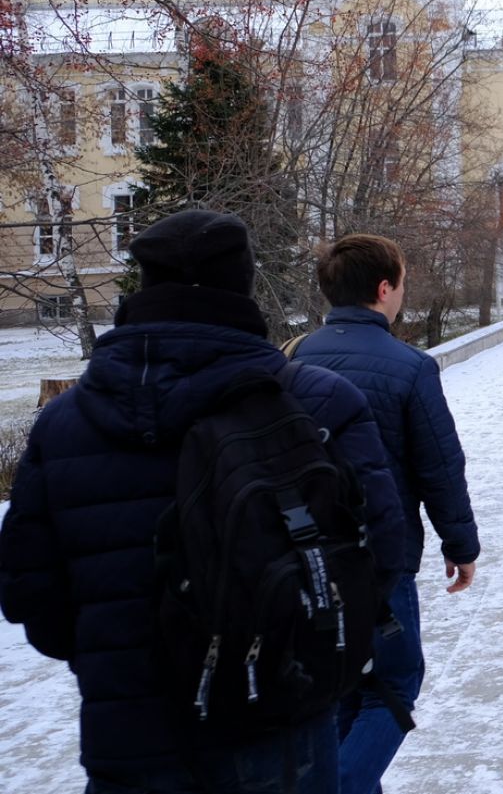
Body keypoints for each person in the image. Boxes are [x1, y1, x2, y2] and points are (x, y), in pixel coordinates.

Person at [0, 209, 405, 794]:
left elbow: (30, 593)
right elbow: (381, 554)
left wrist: (119, 656)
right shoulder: (317, 401)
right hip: (280, 725)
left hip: (130, 738)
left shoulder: (65, 424)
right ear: (242, 283)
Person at [294, 234, 482, 794]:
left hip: (301, 552)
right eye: (401, 282)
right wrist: (461, 545)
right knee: (393, 684)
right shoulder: (410, 367)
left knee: (337, 687)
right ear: (384, 289)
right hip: (380, 554)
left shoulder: (292, 356)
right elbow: (439, 467)